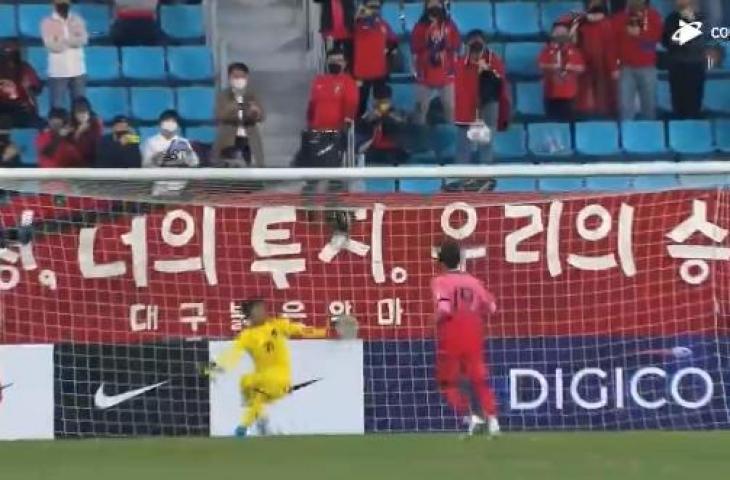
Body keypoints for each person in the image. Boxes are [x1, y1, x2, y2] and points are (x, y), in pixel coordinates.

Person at [205, 299, 329, 437]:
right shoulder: (246, 336)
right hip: (262, 377)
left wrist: (327, 332)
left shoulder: (277, 325)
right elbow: (232, 355)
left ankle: (243, 427)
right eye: (258, 309)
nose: (263, 312)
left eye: (263, 308)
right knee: (246, 381)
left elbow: (302, 330)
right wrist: (216, 367)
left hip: (280, 378)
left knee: (260, 392)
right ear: (249, 315)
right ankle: (261, 420)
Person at [431, 240, 499, 437]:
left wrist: (432, 321)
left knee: (448, 381)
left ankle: (471, 416)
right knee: (478, 377)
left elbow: (443, 309)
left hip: (452, 329)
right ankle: (493, 420)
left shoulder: (440, 281)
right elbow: (492, 307)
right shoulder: (474, 282)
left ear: (442, 262)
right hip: (473, 329)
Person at [454, 30, 511, 164]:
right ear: (467, 46)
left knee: (485, 144)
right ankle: (460, 177)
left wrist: (488, 71)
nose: (475, 51)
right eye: (472, 46)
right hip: (466, 109)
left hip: (488, 107)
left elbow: (500, 87)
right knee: (463, 146)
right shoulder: (460, 64)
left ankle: (485, 176)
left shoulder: (494, 61)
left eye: (479, 46)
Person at [411, 0, 460, 125]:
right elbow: (414, 51)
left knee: (450, 108)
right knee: (420, 108)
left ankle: (453, 136)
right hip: (425, 73)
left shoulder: (450, 25)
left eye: (437, 4)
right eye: (431, 4)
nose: (434, 7)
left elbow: (456, 47)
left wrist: (454, 68)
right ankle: (420, 138)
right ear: (426, 7)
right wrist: (415, 69)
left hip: (446, 73)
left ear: (442, 6)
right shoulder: (420, 27)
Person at [613, 0, 663, 120]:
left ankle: (651, 135)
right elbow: (613, 45)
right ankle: (627, 136)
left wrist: (640, 34)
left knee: (649, 107)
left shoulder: (653, 16)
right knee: (625, 108)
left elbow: (654, 41)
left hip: (648, 67)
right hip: (626, 68)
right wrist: (614, 67)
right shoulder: (619, 18)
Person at [213, 63, 266, 167]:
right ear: (230, 78)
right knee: (227, 168)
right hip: (229, 137)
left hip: (249, 137)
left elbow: (262, 116)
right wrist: (235, 105)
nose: (239, 80)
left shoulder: (252, 94)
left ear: (247, 77)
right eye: (235, 77)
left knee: (253, 166)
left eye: (242, 77)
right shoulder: (223, 95)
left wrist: (255, 112)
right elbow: (220, 115)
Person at [352, 0, 399, 117]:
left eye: (377, 7)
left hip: (380, 71)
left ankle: (381, 129)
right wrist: (359, 17)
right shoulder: (356, 25)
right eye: (371, 7)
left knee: (382, 106)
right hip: (361, 72)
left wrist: (389, 57)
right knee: (360, 105)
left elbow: (393, 41)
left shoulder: (383, 25)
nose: (374, 10)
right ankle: (358, 128)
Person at [662, 0, 707, 119]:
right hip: (676, 66)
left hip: (694, 65)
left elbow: (697, 40)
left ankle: (692, 130)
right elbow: (666, 40)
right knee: (678, 104)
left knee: (693, 104)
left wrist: (679, 39)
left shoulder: (700, 18)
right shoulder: (671, 18)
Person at [573, 0, 618, 117]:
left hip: (603, 68)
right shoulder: (579, 25)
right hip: (586, 68)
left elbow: (611, 48)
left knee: (604, 102)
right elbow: (576, 46)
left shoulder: (608, 24)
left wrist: (613, 68)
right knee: (587, 103)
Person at [41, 0, 88, 109]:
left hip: (78, 70)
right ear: (54, 4)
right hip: (58, 71)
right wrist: (72, 40)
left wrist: (61, 40)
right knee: (57, 107)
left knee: (80, 106)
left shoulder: (78, 20)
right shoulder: (47, 22)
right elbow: (52, 46)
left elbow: (83, 40)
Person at [142, 110, 199, 195]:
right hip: (160, 188)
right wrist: (159, 158)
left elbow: (194, 163)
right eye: (167, 121)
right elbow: (146, 165)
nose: (170, 125)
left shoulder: (184, 142)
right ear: (160, 124)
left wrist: (187, 155)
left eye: (173, 122)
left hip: (181, 188)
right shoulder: (150, 142)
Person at [538, 22, 586, 122]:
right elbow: (540, 65)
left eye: (563, 32)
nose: (560, 34)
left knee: (568, 123)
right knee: (552, 123)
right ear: (552, 34)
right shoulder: (547, 50)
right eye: (557, 32)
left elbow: (581, 68)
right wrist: (554, 66)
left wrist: (570, 67)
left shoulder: (574, 51)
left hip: (569, 96)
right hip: (551, 95)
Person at [359, 84, 408, 165]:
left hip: (394, 153)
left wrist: (389, 116)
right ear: (374, 101)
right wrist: (372, 118)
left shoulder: (398, 115)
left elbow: (403, 129)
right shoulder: (368, 117)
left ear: (390, 100)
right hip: (373, 154)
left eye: (385, 101)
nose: (383, 105)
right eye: (380, 101)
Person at [0, 42, 43, 128]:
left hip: (21, 107)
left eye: (12, 55)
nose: (9, 60)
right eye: (6, 55)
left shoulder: (24, 68)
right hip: (3, 107)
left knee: (37, 124)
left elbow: (37, 89)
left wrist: (28, 87)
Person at [70, 97, 103, 167]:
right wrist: (78, 132)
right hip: (74, 163)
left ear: (89, 112)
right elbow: (69, 150)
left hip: (92, 160)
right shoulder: (70, 125)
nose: (82, 115)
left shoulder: (95, 123)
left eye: (84, 111)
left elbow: (97, 144)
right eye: (79, 112)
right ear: (74, 113)